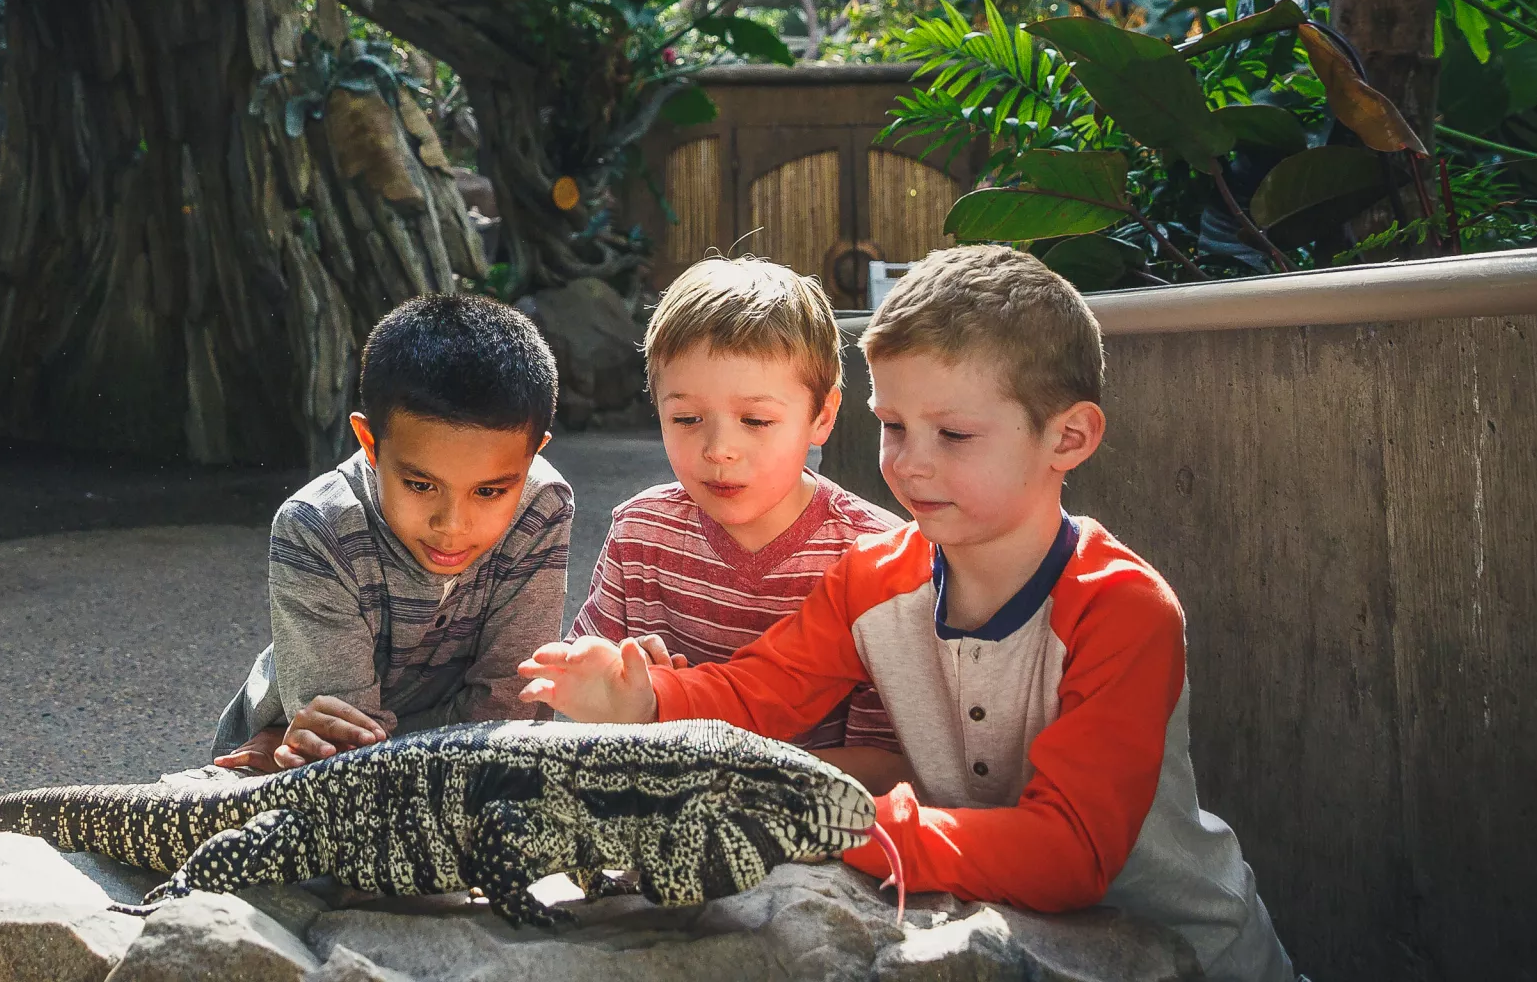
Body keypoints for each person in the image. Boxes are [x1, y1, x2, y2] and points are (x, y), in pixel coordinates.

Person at [518, 246, 1294, 981]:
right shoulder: (872, 576)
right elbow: (759, 692)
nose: (909, 462)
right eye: (893, 427)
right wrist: (643, 697)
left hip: (1185, 952)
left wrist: (832, 822)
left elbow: (1071, 851)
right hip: (993, 933)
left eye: (952, 434)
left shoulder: (1121, 608)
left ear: (1069, 436)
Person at [570, 256, 908, 789]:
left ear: (822, 415)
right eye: (686, 419)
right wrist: (613, 682)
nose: (719, 449)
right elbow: (576, 708)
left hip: (814, 839)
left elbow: (890, 767)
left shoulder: (877, 555)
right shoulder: (640, 533)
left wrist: (702, 759)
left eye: (755, 421)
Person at [211, 293, 572, 773]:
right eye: (421, 484)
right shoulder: (316, 528)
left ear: (531, 458)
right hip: (277, 764)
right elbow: (345, 759)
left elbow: (512, 712)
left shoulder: (541, 507)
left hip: (436, 767)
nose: (452, 525)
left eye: (488, 491)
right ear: (369, 443)